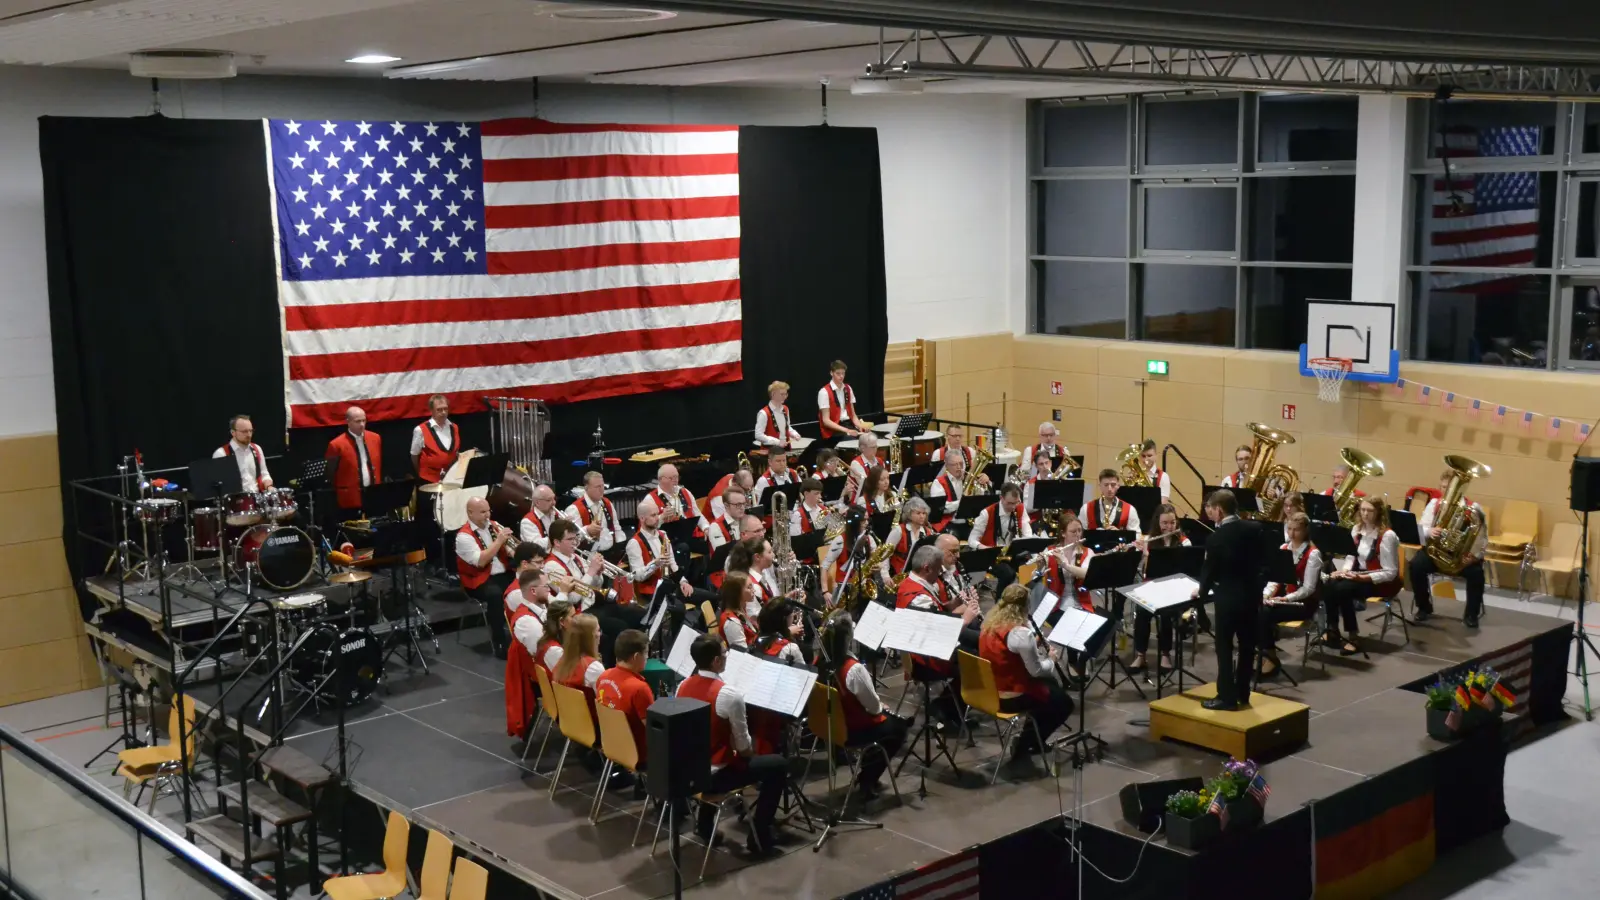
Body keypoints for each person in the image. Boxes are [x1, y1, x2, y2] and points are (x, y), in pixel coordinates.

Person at [675, 635, 787, 856]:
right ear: (716, 661)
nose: (727, 657)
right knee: (778, 765)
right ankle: (760, 836)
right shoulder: (729, 695)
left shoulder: (682, 686)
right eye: (725, 654)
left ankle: (705, 825)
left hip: (688, 772)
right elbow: (744, 747)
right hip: (714, 777)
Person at [979, 583, 1074, 759]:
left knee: (1051, 689)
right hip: (1011, 696)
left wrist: (1032, 645)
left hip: (990, 690)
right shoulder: (1021, 633)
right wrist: (1051, 660)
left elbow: (1007, 653)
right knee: (1064, 703)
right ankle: (1029, 743)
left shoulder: (988, 623)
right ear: (1025, 606)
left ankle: (1029, 736)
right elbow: (1036, 671)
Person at [1193, 489, 1267, 711]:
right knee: (1247, 647)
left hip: (1227, 601)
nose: (1210, 513)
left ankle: (1226, 697)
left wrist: (1200, 595)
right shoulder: (1256, 529)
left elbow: (1209, 572)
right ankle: (1243, 693)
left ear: (1219, 510)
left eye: (1211, 509)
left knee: (1224, 649)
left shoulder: (1216, 538)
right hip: (1251, 598)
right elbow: (1265, 564)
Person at [818, 613, 906, 797]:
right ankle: (868, 778)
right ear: (848, 636)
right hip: (851, 730)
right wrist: (881, 705)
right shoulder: (854, 669)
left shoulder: (820, 660)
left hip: (826, 727)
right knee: (897, 728)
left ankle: (867, 768)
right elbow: (873, 708)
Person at [1321, 497, 1400, 654]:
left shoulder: (1387, 536)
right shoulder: (1356, 529)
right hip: (1359, 575)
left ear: (1378, 513)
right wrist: (1344, 572)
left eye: (1369, 511)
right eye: (1362, 510)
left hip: (1380, 581)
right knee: (1330, 584)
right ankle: (1332, 629)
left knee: (1343, 590)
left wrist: (1361, 578)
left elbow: (1390, 572)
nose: (1365, 514)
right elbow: (1351, 557)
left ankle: (1353, 636)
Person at [1410, 471, 1488, 627]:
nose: (1445, 491)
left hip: (1460, 557)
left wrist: (1473, 556)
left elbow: (1481, 537)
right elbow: (1421, 529)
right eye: (1443, 487)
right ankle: (1424, 607)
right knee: (1415, 565)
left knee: (1477, 574)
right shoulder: (1434, 504)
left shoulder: (1473, 508)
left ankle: (1471, 614)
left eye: (1449, 487)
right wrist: (1429, 531)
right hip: (1436, 553)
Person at [1259, 512, 1322, 679]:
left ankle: (1270, 658)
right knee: (1257, 609)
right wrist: (1266, 595)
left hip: (1304, 604)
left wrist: (1286, 599)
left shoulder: (1313, 554)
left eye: (1296, 530)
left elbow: (1308, 588)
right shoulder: (1283, 548)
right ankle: (1265, 655)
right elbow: (1274, 579)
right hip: (1284, 599)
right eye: (1289, 529)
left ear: (1305, 531)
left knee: (1264, 615)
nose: (1292, 534)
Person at [1129, 505, 1189, 674]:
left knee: (1166, 615)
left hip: (1174, 589)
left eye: (1172, 523)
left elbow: (1187, 569)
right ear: (1157, 522)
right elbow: (1141, 569)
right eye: (1164, 523)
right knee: (1142, 613)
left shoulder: (1184, 542)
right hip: (1152, 587)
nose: (1168, 527)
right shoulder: (1148, 540)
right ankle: (1140, 655)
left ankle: (1165, 654)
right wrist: (1141, 553)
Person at [456, 496, 513, 658]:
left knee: (527, 583)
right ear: (470, 513)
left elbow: (508, 551)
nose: (487, 515)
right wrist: (500, 541)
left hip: (501, 574)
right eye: (482, 512)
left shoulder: (493, 526)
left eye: (488, 511)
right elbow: (481, 561)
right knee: (496, 596)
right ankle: (500, 641)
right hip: (478, 580)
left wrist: (513, 550)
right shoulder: (463, 537)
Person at [595, 629, 654, 771]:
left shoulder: (604, 676)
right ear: (636, 656)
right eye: (646, 653)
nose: (647, 657)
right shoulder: (639, 688)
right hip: (638, 754)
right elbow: (653, 730)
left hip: (611, 744)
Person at [505, 566, 552, 739]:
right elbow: (544, 655)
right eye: (546, 587)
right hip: (544, 676)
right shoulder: (526, 621)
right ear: (533, 590)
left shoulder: (539, 609)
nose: (550, 590)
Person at [625, 498, 693, 609]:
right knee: (679, 608)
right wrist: (655, 563)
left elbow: (672, 563)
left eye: (658, 514)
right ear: (642, 518)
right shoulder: (634, 543)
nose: (658, 518)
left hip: (670, 585)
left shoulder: (663, 534)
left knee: (710, 597)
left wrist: (683, 582)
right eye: (653, 515)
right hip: (651, 591)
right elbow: (638, 576)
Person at [967, 482, 1032, 594]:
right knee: (1008, 574)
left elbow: (1027, 533)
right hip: (993, 555)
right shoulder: (986, 513)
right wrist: (984, 548)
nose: (1013, 507)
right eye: (1009, 503)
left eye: (1016, 503)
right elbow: (972, 540)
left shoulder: (1020, 508)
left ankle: (1022, 601)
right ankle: (1000, 603)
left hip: (1012, 553)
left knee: (1030, 569)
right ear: (1001, 498)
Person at [326, 406, 382, 519]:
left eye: (364, 420)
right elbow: (330, 473)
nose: (362, 424)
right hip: (350, 498)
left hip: (373, 495)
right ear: (348, 422)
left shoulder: (376, 438)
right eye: (358, 421)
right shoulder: (336, 444)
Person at [543, 518, 606, 611]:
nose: (575, 542)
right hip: (577, 614)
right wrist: (591, 571)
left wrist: (597, 573)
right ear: (557, 542)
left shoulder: (575, 556)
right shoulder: (551, 566)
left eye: (575, 538)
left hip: (592, 604)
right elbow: (573, 599)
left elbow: (594, 587)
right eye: (570, 539)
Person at [566, 471, 625, 552]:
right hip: (588, 557)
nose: (601, 490)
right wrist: (587, 530)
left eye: (602, 486)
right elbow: (571, 538)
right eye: (597, 487)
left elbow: (616, 527)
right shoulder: (575, 509)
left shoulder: (607, 503)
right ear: (586, 488)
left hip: (612, 552)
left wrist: (622, 546)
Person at [213, 414, 273, 493]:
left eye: (250, 431)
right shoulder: (221, 454)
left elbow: (264, 474)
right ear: (233, 432)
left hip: (258, 498)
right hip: (235, 501)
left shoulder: (257, 449)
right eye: (244, 431)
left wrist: (268, 486)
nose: (249, 435)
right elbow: (219, 486)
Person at [410, 393, 459, 484]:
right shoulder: (420, 430)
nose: (443, 412)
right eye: (439, 410)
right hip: (429, 481)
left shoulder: (454, 427)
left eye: (445, 409)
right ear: (431, 411)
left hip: (451, 479)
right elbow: (414, 455)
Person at [553, 612, 604, 693]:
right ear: (591, 637)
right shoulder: (594, 668)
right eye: (598, 630)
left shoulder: (561, 661)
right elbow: (604, 702)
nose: (600, 634)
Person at [817, 360, 868, 441]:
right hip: (833, 430)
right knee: (851, 440)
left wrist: (861, 426)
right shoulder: (824, 392)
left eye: (843, 373)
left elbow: (853, 415)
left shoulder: (848, 388)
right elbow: (826, 421)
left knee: (868, 438)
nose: (841, 376)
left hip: (848, 424)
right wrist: (847, 431)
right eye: (838, 373)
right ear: (831, 373)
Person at [885, 496, 931, 575]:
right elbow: (885, 554)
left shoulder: (928, 532)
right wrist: (885, 575)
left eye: (924, 513)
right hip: (897, 572)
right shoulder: (898, 530)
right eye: (918, 513)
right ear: (909, 514)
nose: (922, 516)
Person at [754, 381, 804, 451]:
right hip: (771, 451)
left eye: (786, 394)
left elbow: (787, 427)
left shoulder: (786, 409)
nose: (785, 397)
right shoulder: (763, 413)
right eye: (782, 394)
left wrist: (794, 434)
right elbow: (758, 435)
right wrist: (777, 442)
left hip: (786, 449)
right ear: (773, 394)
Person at [715, 571, 759, 649]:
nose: (754, 590)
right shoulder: (731, 622)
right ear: (737, 593)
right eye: (749, 587)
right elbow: (742, 655)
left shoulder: (741, 608)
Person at [925, 452, 967, 523]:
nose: (959, 467)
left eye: (961, 463)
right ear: (947, 466)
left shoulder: (966, 478)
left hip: (967, 521)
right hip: (948, 524)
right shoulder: (938, 482)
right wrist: (963, 502)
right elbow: (941, 507)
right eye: (955, 464)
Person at [519, 484, 561, 551]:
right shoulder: (527, 522)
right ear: (537, 503)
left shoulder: (556, 514)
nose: (554, 503)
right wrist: (562, 531)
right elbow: (536, 546)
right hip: (541, 559)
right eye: (549, 500)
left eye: (554, 498)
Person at [843, 433, 881, 506]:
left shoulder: (879, 461)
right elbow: (866, 485)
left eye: (876, 447)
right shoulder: (856, 463)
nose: (875, 450)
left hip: (877, 494)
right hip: (861, 500)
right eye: (873, 447)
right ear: (863, 448)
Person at [539, 600, 574, 676]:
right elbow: (571, 676)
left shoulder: (553, 640)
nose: (576, 621)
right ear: (562, 621)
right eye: (573, 617)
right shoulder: (554, 650)